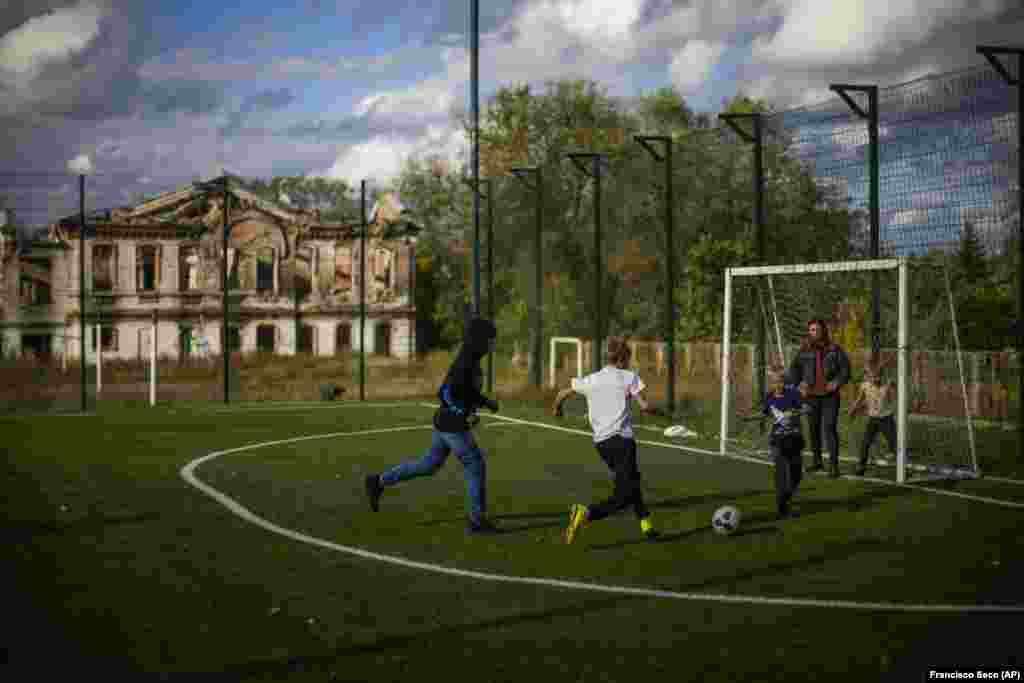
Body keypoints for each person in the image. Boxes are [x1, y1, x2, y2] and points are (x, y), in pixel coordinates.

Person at [364, 317, 501, 534]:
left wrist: (484, 402)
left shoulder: (472, 358)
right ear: (480, 339)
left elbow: (466, 391)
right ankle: (477, 521)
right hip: (451, 425)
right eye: (491, 338)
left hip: (445, 423)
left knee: (429, 465)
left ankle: (378, 481)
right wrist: (462, 416)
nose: (494, 343)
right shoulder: (466, 361)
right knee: (475, 465)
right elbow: (445, 393)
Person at [551, 337, 660, 545]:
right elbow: (645, 406)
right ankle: (585, 513)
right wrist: (663, 413)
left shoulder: (593, 379)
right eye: (628, 358)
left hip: (602, 444)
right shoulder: (629, 377)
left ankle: (647, 525)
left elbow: (563, 392)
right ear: (621, 359)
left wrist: (557, 408)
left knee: (632, 481)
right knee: (623, 496)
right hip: (623, 442)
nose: (629, 362)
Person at [785, 318, 851, 478]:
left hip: (830, 397)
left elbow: (846, 370)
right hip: (811, 397)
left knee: (830, 428)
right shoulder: (804, 350)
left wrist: (837, 382)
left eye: (817, 329)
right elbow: (794, 369)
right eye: (812, 330)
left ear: (823, 330)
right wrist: (799, 384)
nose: (815, 332)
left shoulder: (834, 349)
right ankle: (817, 462)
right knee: (813, 430)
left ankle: (833, 466)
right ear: (809, 332)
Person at [752, 367, 807, 519]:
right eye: (775, 382)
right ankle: (782, 508)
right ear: (772, 383)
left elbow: (806, 408)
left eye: (781, 381)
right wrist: (748, 417)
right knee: (781, 474)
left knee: (796, 476)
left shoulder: (793, 394)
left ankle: (786, 499)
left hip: (795, 438)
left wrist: (795, 412)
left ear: (785, 381)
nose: (779, 385)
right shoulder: (768, 397)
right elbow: (763, 414)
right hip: (778, 440)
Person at [848, 355, 909, 476]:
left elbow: (896, 394)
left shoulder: (887, 384)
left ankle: (902, 469)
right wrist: (853, 410)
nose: (874, 379)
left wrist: (895, 391)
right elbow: (860, 400)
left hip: (886, 418)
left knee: (894, 444)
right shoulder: (865, 385)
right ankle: (861, 467)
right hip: (873, 419)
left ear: (881, 376)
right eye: (871, 376)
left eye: (877, 376)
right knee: (865, 443)